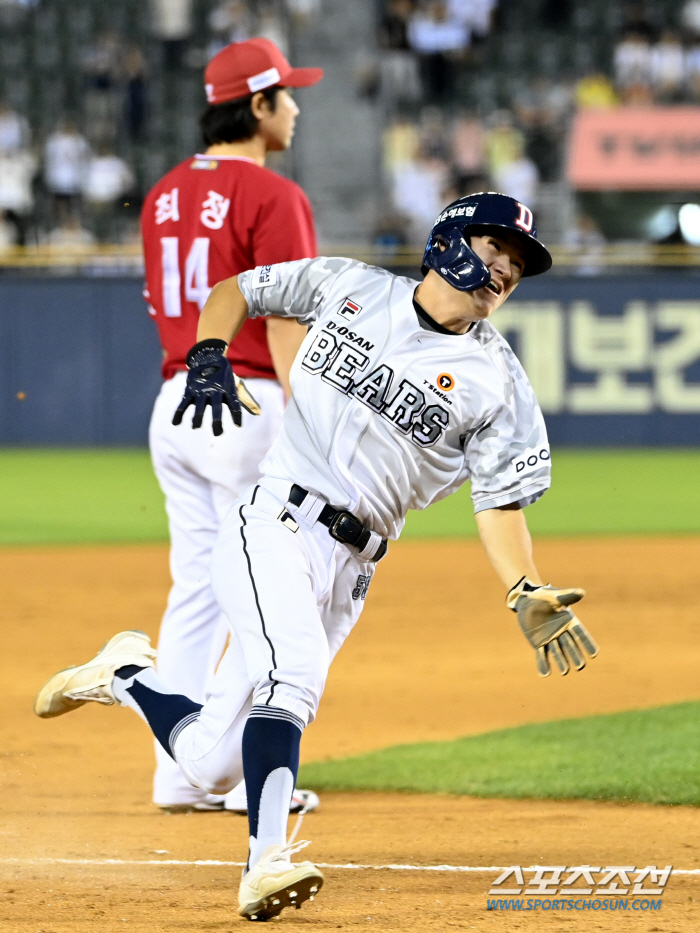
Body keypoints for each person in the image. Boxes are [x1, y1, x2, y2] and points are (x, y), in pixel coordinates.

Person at [35, 192, 600, 921]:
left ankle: (124, 674)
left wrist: (524, 588)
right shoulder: (351, 285)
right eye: (498, 249)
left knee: (211, 762)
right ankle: (266, 860)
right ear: (452, 240)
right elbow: (239, 289)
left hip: (353, 568)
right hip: (275, 518)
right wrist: (209, 350)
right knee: (291, 675)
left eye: (519, 265)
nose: (507, 270)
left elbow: (498, 502)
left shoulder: (500, 383)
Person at [139, 37, 323, 815]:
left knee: (197, 588)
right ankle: (227, 764)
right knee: (273, 588)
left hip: (177, 403)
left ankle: (177, 771)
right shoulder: (273, 197)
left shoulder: (163, 192)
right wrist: (319, 415)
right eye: (286, 94)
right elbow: (283, 325)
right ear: (256, 105)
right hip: (244, 403)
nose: (297, 106)